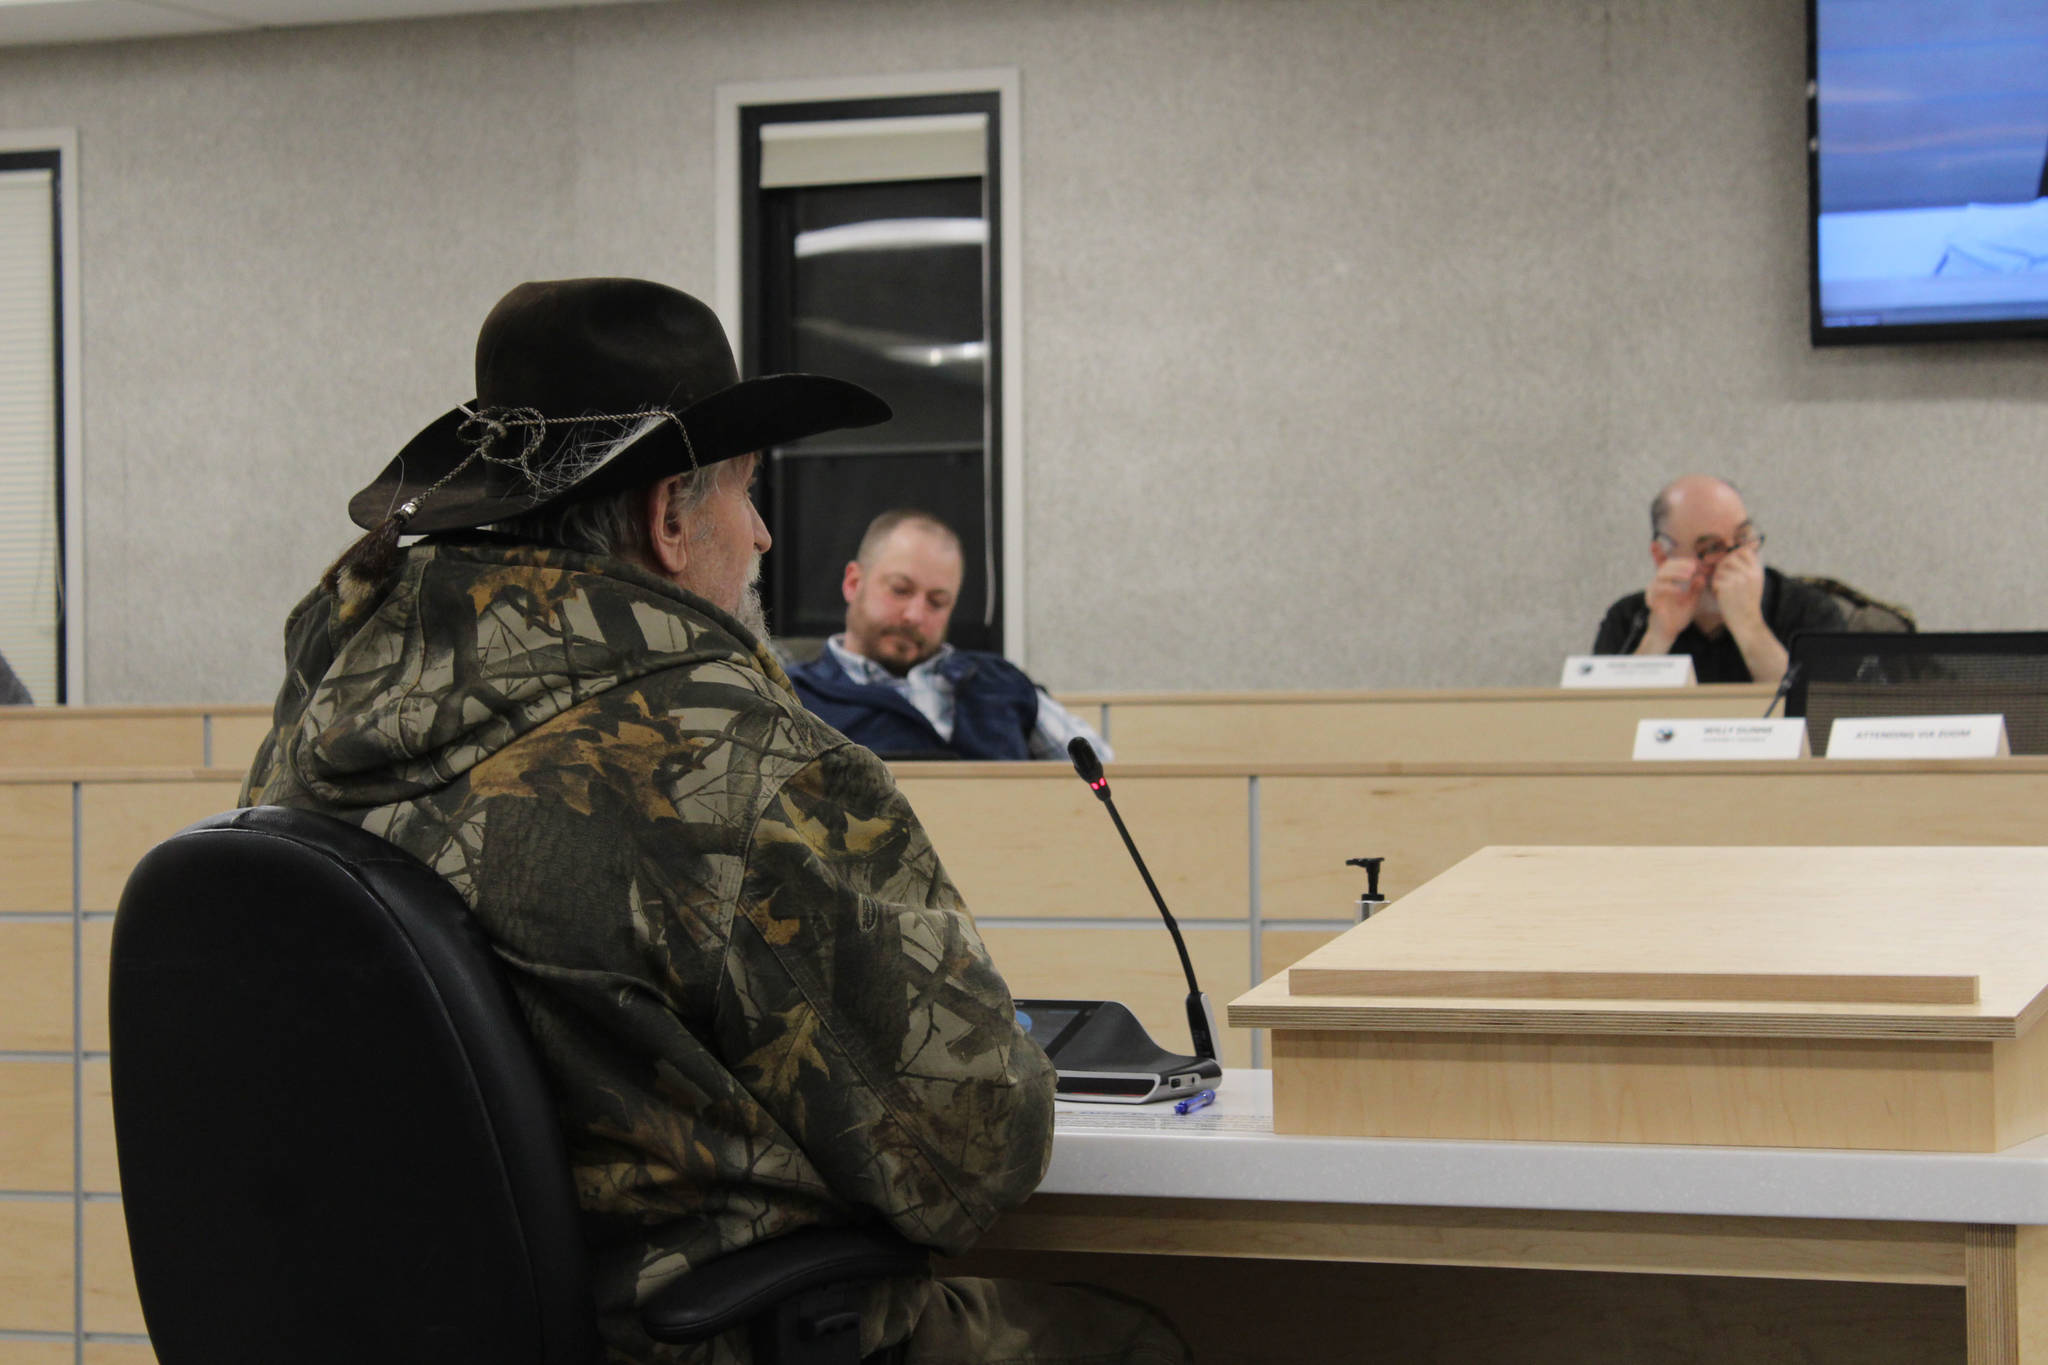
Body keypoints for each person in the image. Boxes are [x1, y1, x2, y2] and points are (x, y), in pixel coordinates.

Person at [241, 278, 1186, 1365]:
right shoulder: (729, 763)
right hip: (703, 1343)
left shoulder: (308, 742)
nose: (765, 534)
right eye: (746, 492)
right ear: (668, 517)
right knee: (1139, 1341)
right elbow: (973, 1152)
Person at [786, 511, 1111, 761]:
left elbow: (1106, 780)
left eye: (937, 602)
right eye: (900, 590)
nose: (915, 615)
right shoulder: (792, 698)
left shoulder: (1002, 683)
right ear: (854, 583)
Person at [1591, 475, 1843, 686]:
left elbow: (1818, 719)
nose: (1735, 559)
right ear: (1662, 556)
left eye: (1744, 537)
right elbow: (1600, 723)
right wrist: (1658, 636)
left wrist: (1749, 626)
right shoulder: (1629, 619)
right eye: (1712, 548)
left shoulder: (1809, 610)